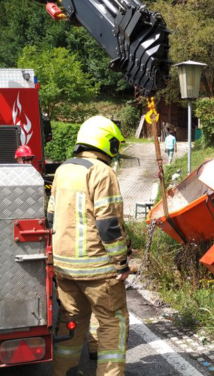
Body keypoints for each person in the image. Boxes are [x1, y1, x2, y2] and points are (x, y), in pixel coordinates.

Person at [48, 115, 131, 376]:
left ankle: (60, 372)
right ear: (109, 143)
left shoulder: (63, 169)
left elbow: (50, 217)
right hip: (98, 271)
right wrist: (121, 262)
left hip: (65, 269)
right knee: (112, 325)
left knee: (70, 324)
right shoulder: (102, 172)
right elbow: (108, 226)